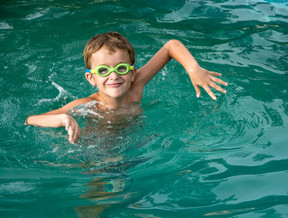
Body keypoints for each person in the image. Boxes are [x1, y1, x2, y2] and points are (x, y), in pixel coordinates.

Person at [25, 32, 228, 144]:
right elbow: (30, 120)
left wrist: (194, 69)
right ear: (91, 78)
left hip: (134, 139)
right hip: (100, 148)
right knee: (103, 183)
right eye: (103, 70)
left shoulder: (134, 87)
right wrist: (63, 118)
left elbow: (170, 46)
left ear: (132, 73)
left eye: (121, 68)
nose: (114, 76)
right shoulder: (87, 105)